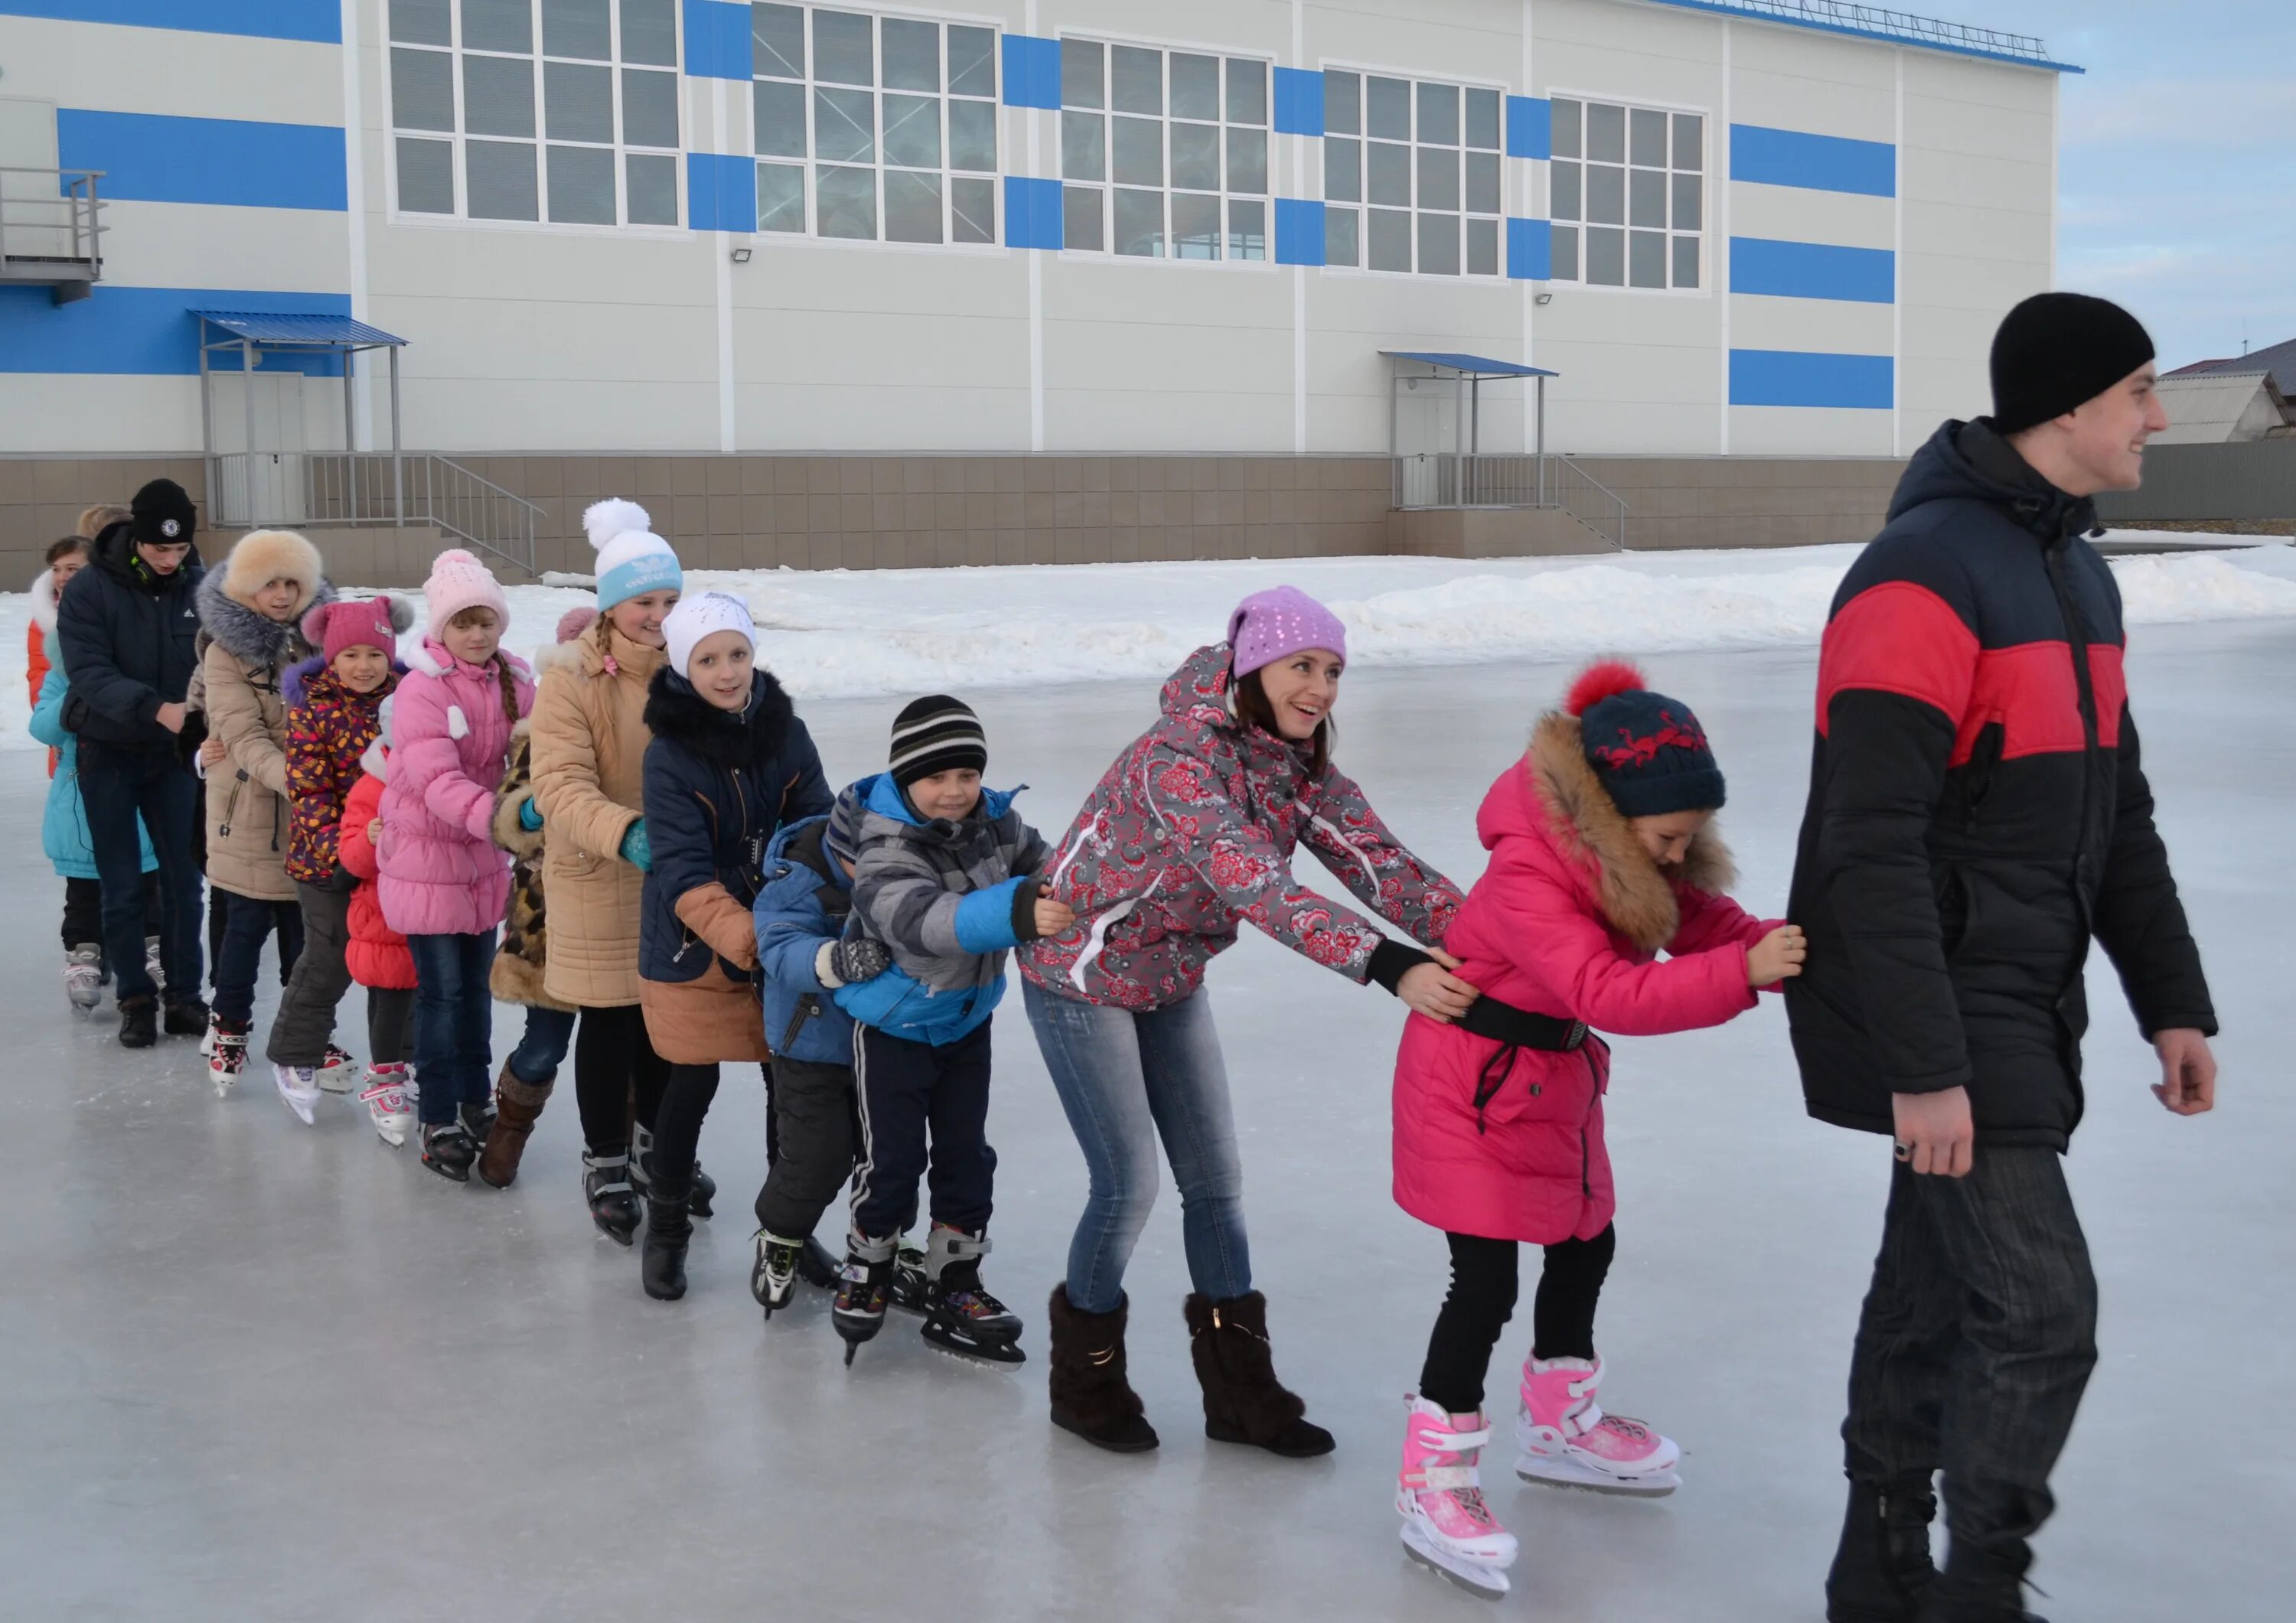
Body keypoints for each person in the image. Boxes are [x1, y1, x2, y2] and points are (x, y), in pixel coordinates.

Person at [1789, 292, 2218, 1623]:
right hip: (1934, 997)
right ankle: (1980, 1590)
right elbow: (1870, 844)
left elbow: (2117, 813)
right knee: (2040, 1310)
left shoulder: (2076, 572)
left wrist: (2172, 1001)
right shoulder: (1920, 575)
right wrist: (1924, 1068)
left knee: (1929, 1291)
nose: (2158, 417)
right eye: (2141, 391)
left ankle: (1879, 1568)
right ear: (2068, 407)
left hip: (2022, 987)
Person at [1022, 585, 1473, 1457]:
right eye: (1303, 666)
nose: (1321, 688)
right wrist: (1388, 965)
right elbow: (1254, 884)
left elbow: (1382, 866)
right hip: (1078, 975)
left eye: (1334, 670)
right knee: (1128, 1187)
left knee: (1216, 1182)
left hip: (1171, 973)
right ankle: (1085, 1383)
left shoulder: (1298, 769)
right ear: (1253, 667)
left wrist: (1501, 942)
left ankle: (1241, 1395)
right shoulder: (1176, 760)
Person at [1388, 659, 1805, 1599]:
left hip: (1552, 1083)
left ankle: (1558, 1425)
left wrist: (1784, 948)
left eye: (1690, 840)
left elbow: (1703, 923)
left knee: (1586, 1241)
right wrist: (1747, 975)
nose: (1673, 856)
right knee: (1483, 1281)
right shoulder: (1533, 868)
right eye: (1667, 837)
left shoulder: (1634, 854)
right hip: (1473, 1087)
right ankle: (1434, 1479)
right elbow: (1606, 990)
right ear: (1615, 816)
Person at [828, 696, 1067, 1367]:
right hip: (893, 1028)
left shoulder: (997, 821)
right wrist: (1022, 908)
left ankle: (958, 1279)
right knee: (893, 1161)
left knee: (967, 1155)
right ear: (907, 779)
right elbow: (925, 920)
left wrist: (1074, 886)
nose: (956, 791)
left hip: (966, 1022)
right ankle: (870, 1261)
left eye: (967, 774)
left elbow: (1046, 866)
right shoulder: (884, 843)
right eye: (938, 777)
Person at [631, 592, 827, 1299]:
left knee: (793, 1087)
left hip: (778, 932)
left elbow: (818, 825)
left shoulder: (786, 730)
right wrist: (747, 935)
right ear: (684, 667)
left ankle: (789, 1231)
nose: (727, 672)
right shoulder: (668, 754)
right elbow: (681, 868)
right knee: (691, 1083)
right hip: (692, 940)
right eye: (708, 659)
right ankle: (667, 1228)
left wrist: (790, 911)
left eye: (738, 654)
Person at [530, 500, 697, 1236]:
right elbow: (558, 784)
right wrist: (627, 833)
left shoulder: (697, 664)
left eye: (669, 601)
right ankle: (604, 1157)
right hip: (600, 872)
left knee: (668, 1024)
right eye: (643, 602)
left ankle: (655, 1149)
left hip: (679, 880)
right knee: (608, 1023)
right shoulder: (571, 678)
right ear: (609, 606)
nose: (658, 616)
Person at [378, 549, 534, 1181]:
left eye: (486, 621)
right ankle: (438, 1114)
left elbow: (539, 751)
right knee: (440, 996)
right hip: (424, 863)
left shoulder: (515, 681)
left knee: (475, 992)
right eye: (463, 622)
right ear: (441, 628)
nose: (476, 634)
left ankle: (475, 1102)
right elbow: (437, 780)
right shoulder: (421, 688)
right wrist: (509, 821)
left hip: (481, 867)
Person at [54, 477, 209, 1048]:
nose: (170, 560)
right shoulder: (91, 589)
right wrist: (157, 709)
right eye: (159, 549)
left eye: (180, 549)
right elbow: (90, 673)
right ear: (137, 539)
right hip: (110, 752)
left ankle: (186, 996)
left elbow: (220, 661)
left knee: (184, 882)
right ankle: (136, 999)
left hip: (174, 758)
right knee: (121, 885)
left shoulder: (201, 585)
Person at [189, 530, 331, 1093]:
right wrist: (308, 778)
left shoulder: (318, 645)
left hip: (309, 821)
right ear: (247, 586)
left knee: (307, 937)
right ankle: (229, 1027)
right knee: (242, 934)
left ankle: (304, 1035)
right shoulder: (223, 651)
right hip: (246, 815)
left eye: (291, 582)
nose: (281, 594)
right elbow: (243, 735)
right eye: (269, 582)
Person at [265, 595, 409, 1124]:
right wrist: (343, 853)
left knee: (398, 960)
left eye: (375, 654)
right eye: (351, 655)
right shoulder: (312, 709)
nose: (364, 666)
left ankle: (403, 1061)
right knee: (329, 956)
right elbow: (309, 793)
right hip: (327, 863)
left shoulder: (410, 699)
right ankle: (295, 1054)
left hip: (397, 858)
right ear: (330, 657)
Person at [476, 605, 594, 1191]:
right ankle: (509, 1128)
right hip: (550, 920)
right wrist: (528, 810)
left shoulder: (645, 721)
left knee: (626, 1049)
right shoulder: (541, 726)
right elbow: (508, 813)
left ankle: (644, 1157)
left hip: (624, 914)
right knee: (545, 1044)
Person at [749, 785, 872, 1316]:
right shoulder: (796, 880)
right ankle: (780, 1237)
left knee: (884, 1154)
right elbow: (780, 947)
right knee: (817, 1156)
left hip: (882, 1042)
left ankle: (880, 1245)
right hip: (809, 1045)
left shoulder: (900, 873)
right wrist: (834, 959)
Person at [29, 556, 161, 1012]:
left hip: (138, 797)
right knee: (83, 893)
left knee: (147, 885)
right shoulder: (61, 679)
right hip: (77, 805)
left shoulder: (134, 678)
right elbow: (42, 727)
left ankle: (154, 948)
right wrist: (74, 698)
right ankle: (85, 951)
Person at [337, 699, 419, 1145]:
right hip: (383, 918)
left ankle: (415, 1067)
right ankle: (385, 1078)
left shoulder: (437, 777)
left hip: (429, 912)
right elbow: (350, 858)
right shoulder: (372, 786)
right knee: (388, 1000)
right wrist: (370, 839)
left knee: (426, 1001)